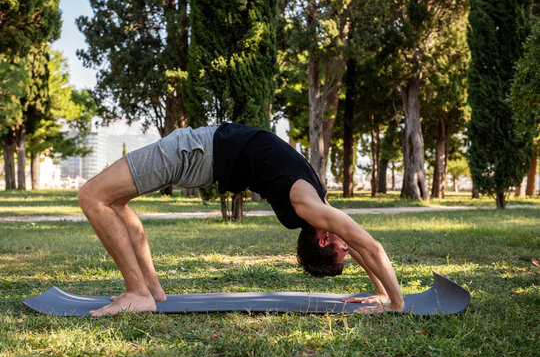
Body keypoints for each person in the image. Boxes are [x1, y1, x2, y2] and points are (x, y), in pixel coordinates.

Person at [78, 123, 403, 317]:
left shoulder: (310, 207)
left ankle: (138, 292)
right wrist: (389, 297)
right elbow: (366, 247)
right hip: (199, 150)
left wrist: (391, 301)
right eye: (345, 251)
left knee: (92, 196)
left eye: (341, 250)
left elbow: (365, 246)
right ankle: (149, 289)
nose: (349, 247)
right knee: (113, 200)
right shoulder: (314, 206)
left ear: (323, 239)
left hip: (195, 152)